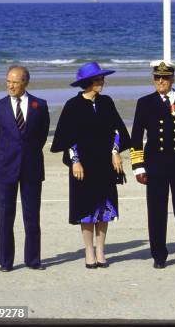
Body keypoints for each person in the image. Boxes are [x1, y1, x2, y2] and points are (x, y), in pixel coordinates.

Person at [51, 62, 130, 269]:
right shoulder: (72, 106)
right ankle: (88, 251)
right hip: (82, 167)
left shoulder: (107, 102)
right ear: (87, 82)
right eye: (97, 79)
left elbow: (118, 130)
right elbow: (66, 139)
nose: (101, 82)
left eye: (102, 78)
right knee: (86, 210)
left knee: (104, 209)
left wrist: (115, 153)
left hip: (105, 165)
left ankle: (101, 250)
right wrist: (75, 162)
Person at [130, 61, 175, 269]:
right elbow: (136, 137)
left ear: (172, 79)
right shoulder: (144, 103)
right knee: (156, 211)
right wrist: (139, 167)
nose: (160, 81)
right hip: (155, 164)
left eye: (165, 77)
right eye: (156, 78)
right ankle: (159, 256)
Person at [0, 65, 50, 272]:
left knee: (32, 216)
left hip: (31, 167)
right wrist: (10, 153)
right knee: (5, 217)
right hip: (6, 168)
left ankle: (33, 260)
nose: (10, 85)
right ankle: (6, 261)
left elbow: (41, 136)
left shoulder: (39, 105)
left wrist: (27, 153)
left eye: (14, 82)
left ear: (25, 82)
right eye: (8, 81)